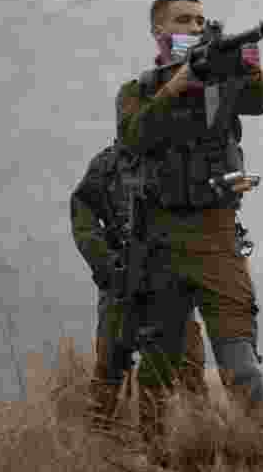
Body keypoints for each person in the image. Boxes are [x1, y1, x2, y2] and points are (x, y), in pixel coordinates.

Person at [114, 0, 263, 448]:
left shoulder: (222, 82)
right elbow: (133, 137)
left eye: (200, 21)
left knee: (240, 360)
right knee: (159, 369)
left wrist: (248, 66)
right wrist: (175, 86)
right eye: (183, 20)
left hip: (217, 238)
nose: (194, 28)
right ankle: (154, 455)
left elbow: (261, 101)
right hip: (161, 244)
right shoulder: (140, 90)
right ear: (158, 31)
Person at [71, 141, 208, 429]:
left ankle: (195, 439)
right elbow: (82, 211)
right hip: (121, 277)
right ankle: (100, 441)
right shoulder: (106, 165)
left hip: (169, 277)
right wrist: (105, 262)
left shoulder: (181, 156)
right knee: (109, 362)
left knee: (189, 364)